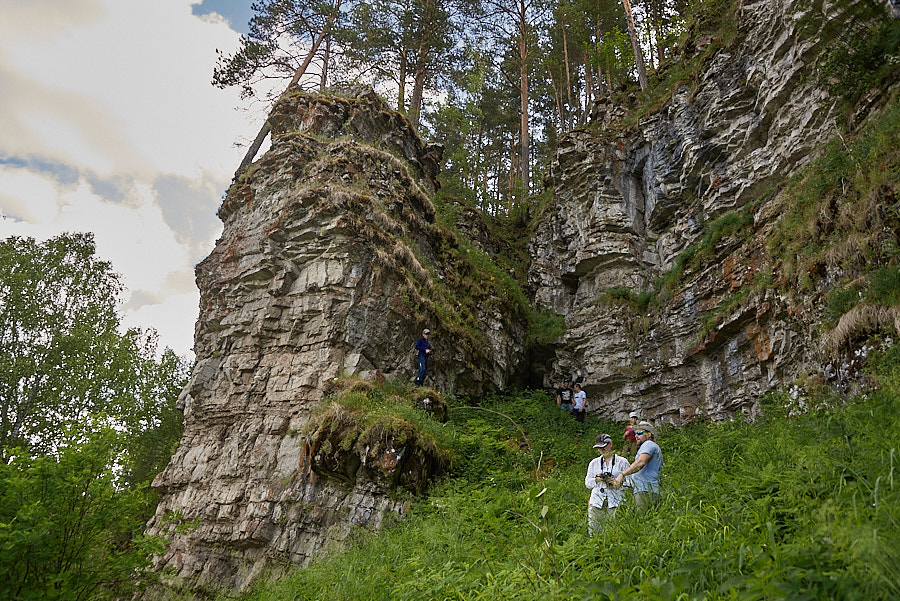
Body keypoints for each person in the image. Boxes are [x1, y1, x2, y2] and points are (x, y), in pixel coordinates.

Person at [584, 433, 631, 535]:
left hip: (616, 501)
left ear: (610, 444)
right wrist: (597, 480)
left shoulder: (622, 462)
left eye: (604, 447)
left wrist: (617, 482)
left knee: (614, 533)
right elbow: (587, 483)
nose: (602, 450)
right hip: (597, 501)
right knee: (594, 531)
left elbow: (630, 482)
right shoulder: (594, 463)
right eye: (599, 448)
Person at [613, 421, 662, 510]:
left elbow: (640, 463)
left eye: (639, 433)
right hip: (647, 489)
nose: (636, 436)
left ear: (649, 435)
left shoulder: (648, 444)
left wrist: (622, 475)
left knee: (641, 520)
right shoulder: (649, 446)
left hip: (646, 490)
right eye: (635, 434)